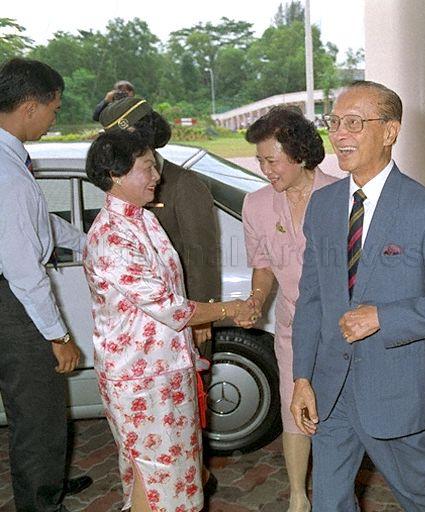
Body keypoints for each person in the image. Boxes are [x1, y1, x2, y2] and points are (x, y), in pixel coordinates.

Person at [290, 80, 425, 511]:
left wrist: (385, 317)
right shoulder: (322, 206)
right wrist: (301, 376)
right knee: (329, 500)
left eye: (355, 123)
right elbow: (311, 299)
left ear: (390, 132)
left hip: (395, 392)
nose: (340, 134)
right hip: (330, 389)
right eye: (335, 122)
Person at [83, 130, 255, 512]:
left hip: (166, 369)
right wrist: (231, 308)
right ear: (115, 174)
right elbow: (171, 308)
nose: (157, 176)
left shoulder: (143, 219)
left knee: (171, 474)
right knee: (156, 477)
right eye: (147, 168)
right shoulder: (111, 236)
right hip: (139, 378)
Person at [0, 57, 93, 512]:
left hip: (11, 293)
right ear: (31, 106)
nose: (55, 117)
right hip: (12, 301)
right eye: (54, 108)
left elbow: (41, 227)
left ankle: (48, 482)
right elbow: (23, 267)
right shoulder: (5, 172)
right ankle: (41, 502)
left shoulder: (11, 157)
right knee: (38, 415)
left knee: (40, 412)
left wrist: (92, 244)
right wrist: (58, 337)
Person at [240, 106, 337, 512]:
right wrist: (256, 300)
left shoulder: (343, 195)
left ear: (299, 154)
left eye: (271, 160)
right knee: (292, 404)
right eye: (260, 160)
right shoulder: (256, 205)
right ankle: (298, 496)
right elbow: (264, 267)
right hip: (293, 324)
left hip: (342, 326)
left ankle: (335, 488)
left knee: (337, 410)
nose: (265, 170)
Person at [98, 97, 220, 352]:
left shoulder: (182, 184)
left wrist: (203, 317)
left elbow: (201, 254)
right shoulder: (123, 183)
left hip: (185, 315)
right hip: (141, 325)